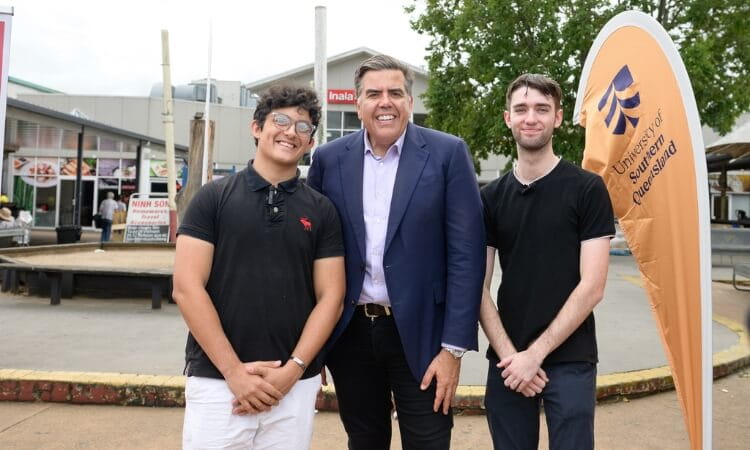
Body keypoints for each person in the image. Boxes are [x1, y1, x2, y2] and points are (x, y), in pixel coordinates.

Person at [308, 54, 485, 449]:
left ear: (409, 100)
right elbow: (311, 254)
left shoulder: (448, 154)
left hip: (423, 336)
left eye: (395, 93)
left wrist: (453, 349)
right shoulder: (328, 159)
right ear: (358, 104)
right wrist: (311, 344)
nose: (385, 102)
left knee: (429, 442)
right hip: (350, 335)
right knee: (365, 440)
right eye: (373, 94)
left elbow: (466, 257)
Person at [172, 85, 346, 449]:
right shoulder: (212, 198)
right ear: (256, 128)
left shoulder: (322, 210)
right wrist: (234, 372)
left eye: (303, 127)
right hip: (217, 381)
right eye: (280, 120)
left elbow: (331, 297)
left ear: (310, 143)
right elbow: (187, 287)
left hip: (293, 385)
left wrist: (294, 369)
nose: (290, 131)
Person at [479, 73, 615, 450]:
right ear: (508, 118)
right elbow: (478, 284)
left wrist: (535, 355)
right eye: (521, 109)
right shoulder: (490, 198)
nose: (531, 118)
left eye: (542, 109)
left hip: (571, 358)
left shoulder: (587, 189)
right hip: (507, 362)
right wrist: (512, 357)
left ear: (557, 118)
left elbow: (593, 286)